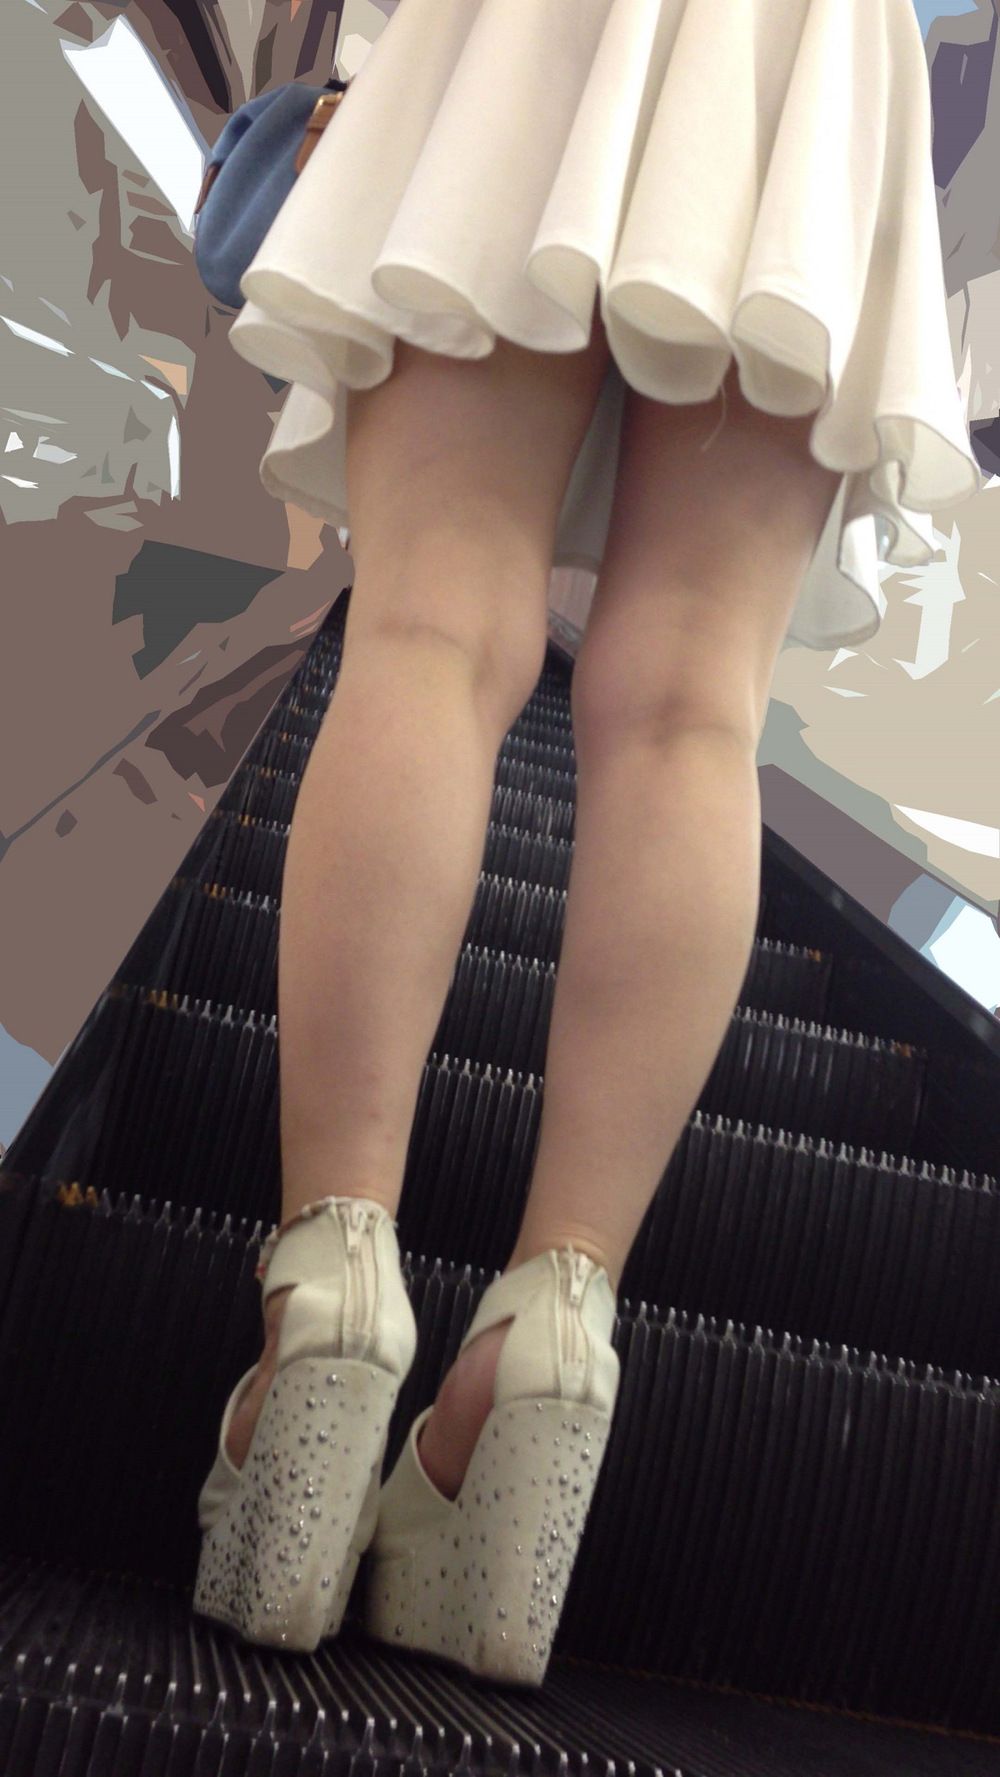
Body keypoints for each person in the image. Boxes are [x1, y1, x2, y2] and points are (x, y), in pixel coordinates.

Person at [190, 0, 986, 1687]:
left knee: (433, 625)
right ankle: (552, 1330)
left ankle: (329, 1287)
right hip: (816, 59)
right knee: (694, 713)